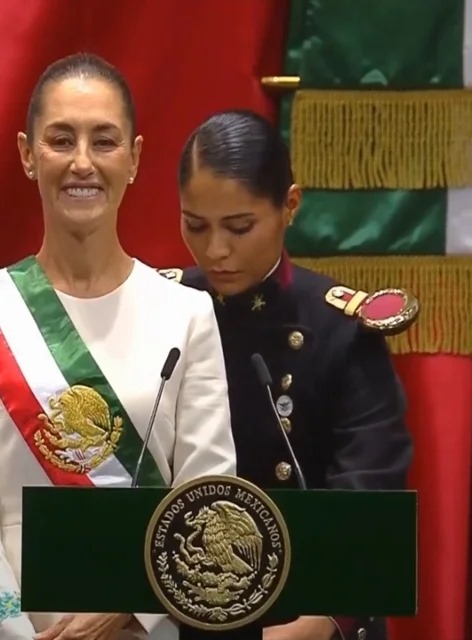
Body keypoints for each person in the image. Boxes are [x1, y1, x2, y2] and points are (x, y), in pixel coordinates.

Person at [0, 54, 238, 640]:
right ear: (27, 154)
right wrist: (14, 633)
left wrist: (127, 609)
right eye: (60, 139)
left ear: (134, 158)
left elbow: (204, 496)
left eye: (104, 141)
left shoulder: (187, 314)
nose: (82, 162)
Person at [159, 110, 416, 640]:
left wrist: (322, 621)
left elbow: (369, 497)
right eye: (195, 225)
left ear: (289, 207)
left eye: (239, 227)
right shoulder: (161, 309)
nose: (215, 251)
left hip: (303, 616)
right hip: (172, 608)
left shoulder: (339, 330)